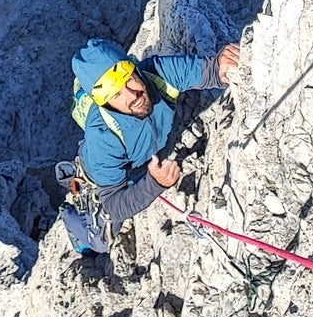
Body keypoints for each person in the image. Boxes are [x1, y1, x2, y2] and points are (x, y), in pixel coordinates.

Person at [70, 37, 241, 234]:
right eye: (115, 95)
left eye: (129, 79)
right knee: (107, 233)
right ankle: (79, 203)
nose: (132, 94)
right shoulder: (104, 137)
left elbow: (209, 71)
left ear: (135, 68)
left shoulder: (156, 74)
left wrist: (223, 63)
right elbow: (112, 203)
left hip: (146, 156)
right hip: (107, 171)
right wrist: (155, 183)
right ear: (104, 103)